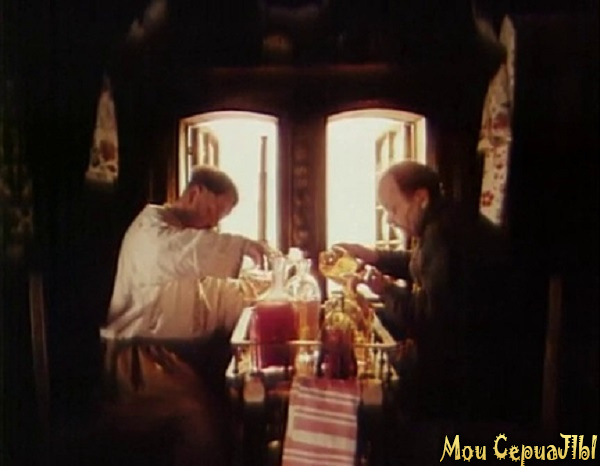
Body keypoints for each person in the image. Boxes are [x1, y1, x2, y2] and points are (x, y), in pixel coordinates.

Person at [99, 166, 269, 465]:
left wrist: (257, 298)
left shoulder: (184, 238)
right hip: (139, 360)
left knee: (234, 407)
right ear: (194, 193)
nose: (214, 222)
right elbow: (184, 254)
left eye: (221, 217)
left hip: (174, 357)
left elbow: (207, 297)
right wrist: (240, 245)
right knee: (198, 419)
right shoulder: (151, 229)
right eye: (214, 210)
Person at [336, 161, 514, 424]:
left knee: (378, 397)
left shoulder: (443, 234)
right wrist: (374, 257)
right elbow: (420, 263)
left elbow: (427, 318)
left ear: (421, 198)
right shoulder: (446, 220)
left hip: (474, 378)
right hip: (478, 359)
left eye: (393, 208)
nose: (390, 219)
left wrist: (384, 289)